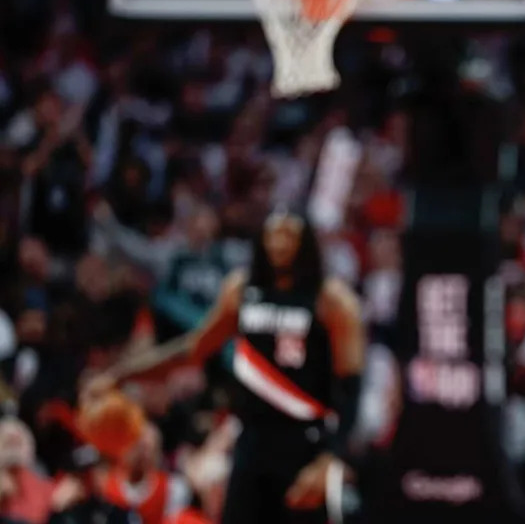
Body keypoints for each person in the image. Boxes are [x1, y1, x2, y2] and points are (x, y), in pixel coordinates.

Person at [84, 209, 365, 524]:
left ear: (307, 243)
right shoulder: (241, 291)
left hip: (306, 445)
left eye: (290, 236)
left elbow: (351, 389)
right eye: (273, 234)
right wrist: (121, 374)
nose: (280, 243)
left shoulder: (333, 301)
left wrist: (332, 456)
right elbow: (191, 349)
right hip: (253, 441)